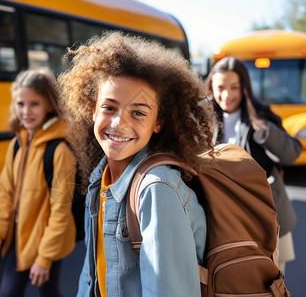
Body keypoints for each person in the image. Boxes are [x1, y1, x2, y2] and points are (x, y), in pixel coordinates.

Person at [58, 31, 216, 296]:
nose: (119, 123)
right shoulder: (102, 179)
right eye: (109, 107)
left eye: (138, 112)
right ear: (92, 109)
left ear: (159, 122)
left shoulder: (157, 190)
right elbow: (92, 276)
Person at [205, 56, 302, 272]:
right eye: (220, 87)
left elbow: (292, 153)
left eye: (234, 87)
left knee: (272, 282)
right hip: (225, 219)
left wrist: (265, 131)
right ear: (212, 86)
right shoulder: (204, 118)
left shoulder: (261, 115)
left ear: (245, 88)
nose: (226, 95)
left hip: (265, 214)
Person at [0, 68, 76, 297]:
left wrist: (44, 258)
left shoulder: (59, 151)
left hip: (48, 241)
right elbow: (5, 194)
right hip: (20, 239)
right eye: (20, 104)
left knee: (47, 291)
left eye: (34, 104)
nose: (26, 112)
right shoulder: (16, 145)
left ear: (49, 105)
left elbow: (61, 211)